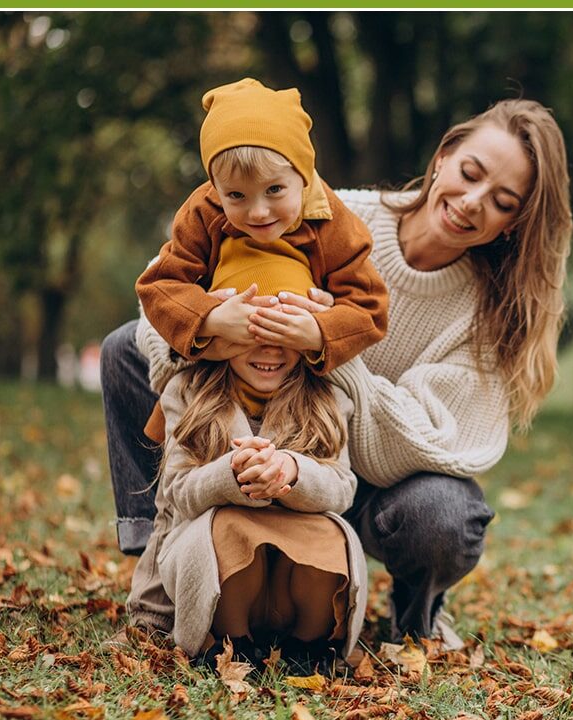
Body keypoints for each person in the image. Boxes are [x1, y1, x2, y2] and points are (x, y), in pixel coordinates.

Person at [108, 98, 572, 650]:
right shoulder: (324, 211)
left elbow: (423, 446)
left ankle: (415, 613)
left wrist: (326, 345)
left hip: (360, 480)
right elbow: (157, 310)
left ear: (515, 220)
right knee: (122, 350)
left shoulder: (492, 311)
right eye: (470, 174)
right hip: (244, 436)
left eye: (502, 201)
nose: (472, 203)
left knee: (446, 512)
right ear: (444, 157)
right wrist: (212, 326)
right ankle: (160, 562)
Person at [134, 255, 368, 675]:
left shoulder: (326, 398)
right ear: (222, 333)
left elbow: (342, 486)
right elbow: (178, 493)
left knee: (331, 533)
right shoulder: (188, 393)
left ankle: (308, 649)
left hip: (292, 583)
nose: (270, 348)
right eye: (253, 331)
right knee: (229, 527)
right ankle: (231, 646)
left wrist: (291, 473)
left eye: (284, 332)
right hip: (226, 581)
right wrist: (231, 474)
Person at [135, 76, 388, 460]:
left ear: (302, 176)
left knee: (298, 456)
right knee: (185, 446)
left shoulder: (331, 221)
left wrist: (319, 330)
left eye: (274, 191)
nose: (257, 211)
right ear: (215, 188)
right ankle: (150, 513)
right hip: (219, 370)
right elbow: (160, 285)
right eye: (236, 195)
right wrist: (211, 319)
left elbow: (369, 306)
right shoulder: (204, 211)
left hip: (296, 376)